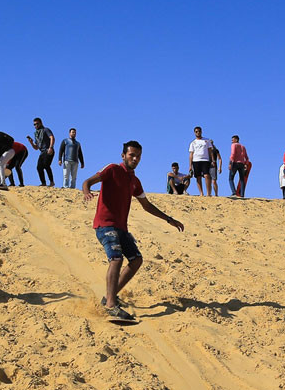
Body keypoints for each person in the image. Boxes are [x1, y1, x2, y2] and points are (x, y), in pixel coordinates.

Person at [82, 141, 184, 321]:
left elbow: (146, 205)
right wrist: (86, 192)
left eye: (138, 156)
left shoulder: (135, 181)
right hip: (105, 224)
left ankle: (109, 297)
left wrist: (169, 219)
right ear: (123, 156)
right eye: (132, 155)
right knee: (116, 258)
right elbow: (88, 181)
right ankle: (112, 305)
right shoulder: (112, 169)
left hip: (121, 228)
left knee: (136, 260)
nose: (135, 159)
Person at [27, 118, 55, 187]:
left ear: (41, 123)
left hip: (48, 150)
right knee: (39, 167)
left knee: (46, 165)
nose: (36, 125)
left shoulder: (46, 130)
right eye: (34, 124)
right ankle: (43, 183)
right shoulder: (37, 134)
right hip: (42, 152)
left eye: (37, 124)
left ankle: (51, 182)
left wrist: (50, 147)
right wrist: (31, 143)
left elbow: (52, 138)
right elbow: (36, 148)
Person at [188, 126, 214, 196]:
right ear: (194, 133)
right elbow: (191, 154)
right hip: (196, 160)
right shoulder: (193, 143)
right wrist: (190, 165)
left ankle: (208, 193)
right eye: (196, 131)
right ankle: (201, 193)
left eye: (199, 131)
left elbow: (210, 151)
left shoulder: (207, 140)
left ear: (201, 131)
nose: (198, 133)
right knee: (198, 176)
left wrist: (212, 160)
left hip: (205, 160)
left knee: (206, 175)